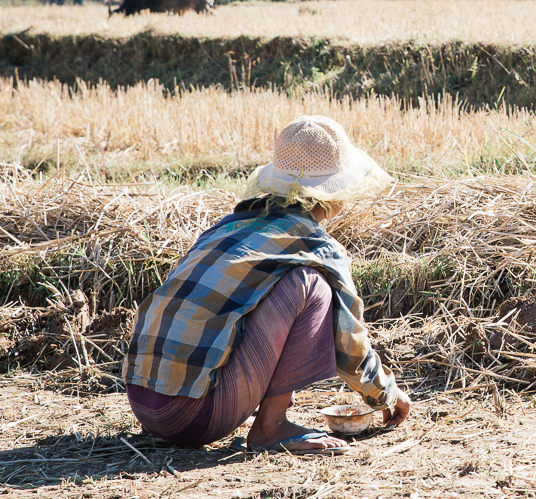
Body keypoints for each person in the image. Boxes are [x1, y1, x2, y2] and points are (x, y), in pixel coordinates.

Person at [123, 115, 411, 454]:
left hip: (144, 405)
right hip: (192, 416)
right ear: (333, 192)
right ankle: (271, 427)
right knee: (311, 284)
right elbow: (349, 342)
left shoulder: (226, 228)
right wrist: (385, 393)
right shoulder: (316, 247)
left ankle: (247, 408)